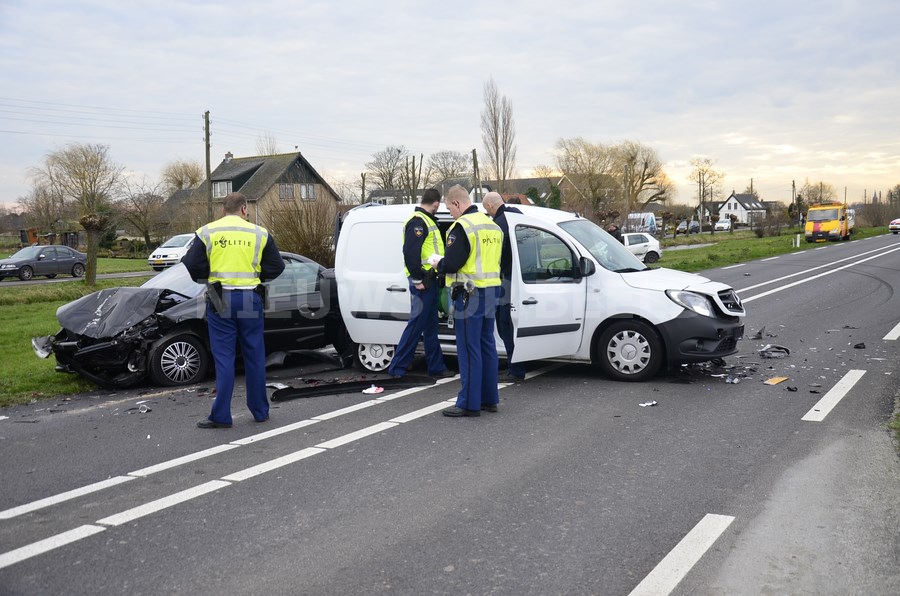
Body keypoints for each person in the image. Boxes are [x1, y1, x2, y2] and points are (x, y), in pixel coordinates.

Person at [183, 192, 285, 429]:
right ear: (244, 209)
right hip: (250, 298)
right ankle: (260, 411)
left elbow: (192, 265)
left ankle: (221, 416)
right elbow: (277, 266)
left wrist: (209, 279)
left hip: (220, 298)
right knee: (255, 356)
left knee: (224, 358)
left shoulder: (207, 232)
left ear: (223, 210)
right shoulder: (259, 233)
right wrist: (257, 278)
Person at [428, 185, 503, 417]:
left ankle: (469, 403)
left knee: (469, 348)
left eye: (450, 209)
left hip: (469, 294)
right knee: (487, 345)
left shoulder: (462, 227)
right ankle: (489, 399)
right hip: (491, 290)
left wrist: (438, 263)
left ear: (457, 203)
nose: (451, 214)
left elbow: (452, 264)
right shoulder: (492, 225)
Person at [387, 188, 453, 379]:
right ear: (436, 204)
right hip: (423, 282)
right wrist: (417, 279)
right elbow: (410, 253)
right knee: (416, 325)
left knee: (430, 327)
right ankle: (397, 368)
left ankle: (436, 367)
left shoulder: (426, 220)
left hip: (429, 281)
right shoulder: (418, 221)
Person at [481, 192, 525, 382]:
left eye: (487, 210)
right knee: (512, 325)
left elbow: (496, 256)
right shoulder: (518, 216)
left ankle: (516, 370)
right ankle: (514, 363)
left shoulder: (497, 225)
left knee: (505, 325)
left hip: (506, 280)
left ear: (490, 206)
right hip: (521, 277)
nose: (488, 213)